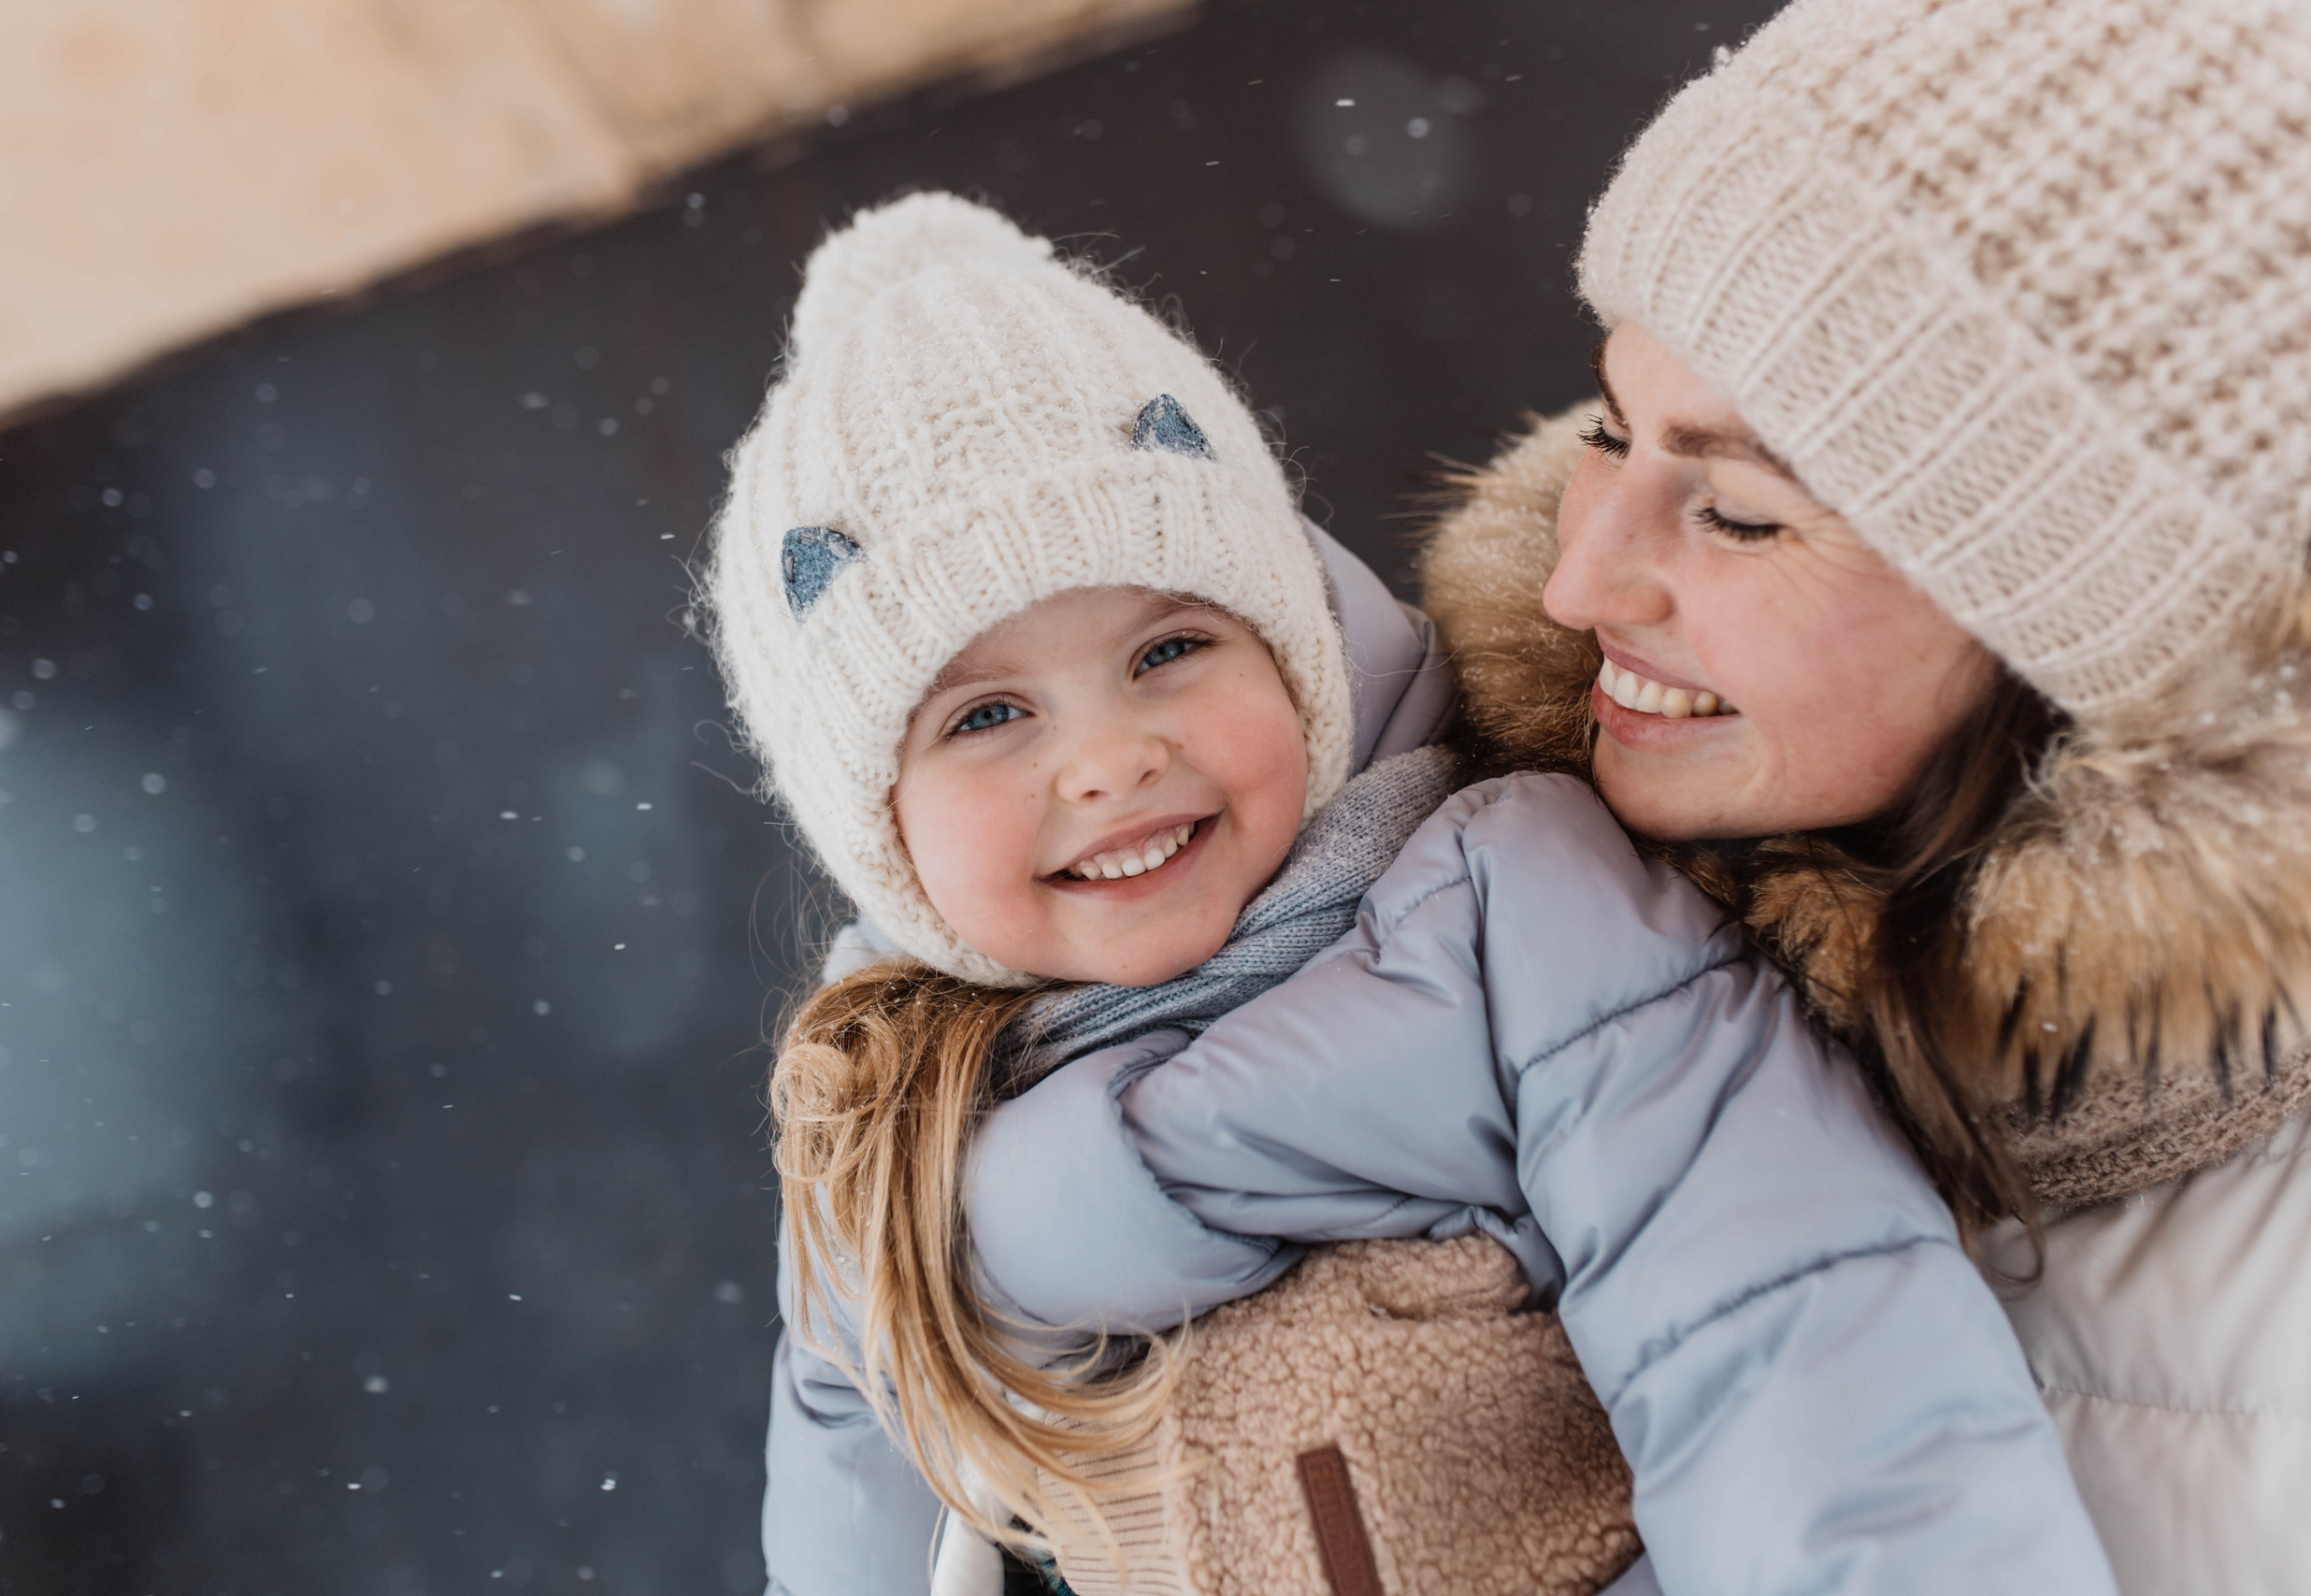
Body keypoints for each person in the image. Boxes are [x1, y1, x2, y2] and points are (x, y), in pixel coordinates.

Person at [967, 0, 2311, 1591]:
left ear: (2088, 620)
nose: (1580, 579)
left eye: (1736, 513)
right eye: (1611, 429)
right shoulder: (1379, 854)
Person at [710, 196, 2115, 1594]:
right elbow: (849, 1530)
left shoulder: (1520, 909)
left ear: (1298, 653)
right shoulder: (882, 1113)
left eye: (1170, 651)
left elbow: (1792, 1345)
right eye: (986, 716)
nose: (1109, 761)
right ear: (875, 826)